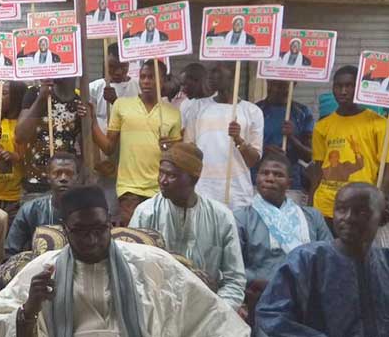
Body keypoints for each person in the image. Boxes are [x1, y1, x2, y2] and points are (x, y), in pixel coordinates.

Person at [0, 185, 251, 337]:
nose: (92, 239)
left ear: (111, 224)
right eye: (81, 232)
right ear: (65, 229)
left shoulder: (150, 262)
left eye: (99, 229)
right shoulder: (44, 268)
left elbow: (209, 317)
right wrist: (29, 309)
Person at [256, 183, 389, 336]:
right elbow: (270, 315)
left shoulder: (385, 261)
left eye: (361, 212)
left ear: (383, 218)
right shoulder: (306, 259)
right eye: (341, 209)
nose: (348, 218)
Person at [129, 142, 246, 310]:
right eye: (161, 172)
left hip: (209, 308)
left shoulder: (221, 217)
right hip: (157, 308)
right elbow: (132, 271)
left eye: (172, 176)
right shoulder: (146, 213)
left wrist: (219, 310)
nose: (163, 180)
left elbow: (234, 279)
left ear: (194, 179)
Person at [234, 153, 332, 325]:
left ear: (290, 182)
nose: (270, 178)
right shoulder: (241, 218)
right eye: (265, 173)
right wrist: (259, 281)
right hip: (262, 301)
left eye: (278, 174)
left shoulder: (312, 217)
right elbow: (232, 265)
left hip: (308, 301)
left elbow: (329, 258)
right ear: (256, 177)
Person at [92, 59, 182, 225]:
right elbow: (109, 147)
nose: (146, 81)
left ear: (163, 80)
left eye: (152, 77)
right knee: (133, 239)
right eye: (143, 77)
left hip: (161, 188)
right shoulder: (121, 105)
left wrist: (170, 150)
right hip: (129, 189)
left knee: (156, 239)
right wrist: (92, 123)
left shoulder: (173, 114)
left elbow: (176, 157)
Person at [311, 65, 388, 227]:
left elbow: (386, 168)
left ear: (359, 88)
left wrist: (381, 202)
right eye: (338, 86)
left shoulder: (379, 124)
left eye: (349, 86)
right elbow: (317, 168)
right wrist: (310, 206)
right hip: (325, 206)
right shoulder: (322, 126)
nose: (343, 91)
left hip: (361, 207)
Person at [184, 63, 263, 207]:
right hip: (203, 193)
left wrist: (239, 140)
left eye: (217, 72)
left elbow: (253, 160)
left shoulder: (252, 111)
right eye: (211, 72)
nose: (211, 76)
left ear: (233, 74)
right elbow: (189, 150)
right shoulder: (198, 106)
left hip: (237, 195)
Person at [88, 45, 142, 222]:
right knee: (101, 206)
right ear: (105, 63)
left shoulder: (138, 88)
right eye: (112, 66)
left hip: (127, 158)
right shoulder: (95, 88)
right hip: (100, 157)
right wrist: (96, 160)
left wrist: (116, 102)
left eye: (123, 66)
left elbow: (139, 123)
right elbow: (89, 126)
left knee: (123, 209)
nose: (118, 71)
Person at [15, 78, 85, 197]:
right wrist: (41, 99)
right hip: (35, 185)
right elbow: (20, 136)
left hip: (65, 185)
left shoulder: (79, 103)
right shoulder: (35, 93)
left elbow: (85, 150)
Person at [5, 152, 80, 256]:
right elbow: (10, 252)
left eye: (69, 174)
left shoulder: (89, 211)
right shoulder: (30, 210)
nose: (63, 178)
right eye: (57, 173)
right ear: (48, 177)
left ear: (77, 178)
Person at [252, 80, 314, 205]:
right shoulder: (255, 110)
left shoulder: (301, 113)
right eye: (272, 84)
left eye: (282, 86)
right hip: (257, 182)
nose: (275, 89)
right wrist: (263, 150)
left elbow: (309, 156)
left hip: (291, 185)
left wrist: (292, 137)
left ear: (293, 84)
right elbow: (243, 149)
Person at [0, 81, 26, 223]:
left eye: (4, 94)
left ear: (16, 98)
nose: (0, 98)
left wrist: (13, 156)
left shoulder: (22, 125)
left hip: (14, 196)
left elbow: (26, 158)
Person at [178, 62, 212, 127]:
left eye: (185, 84)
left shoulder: (217, 103)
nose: (182, 90)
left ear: (197, 81)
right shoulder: (185, 104)